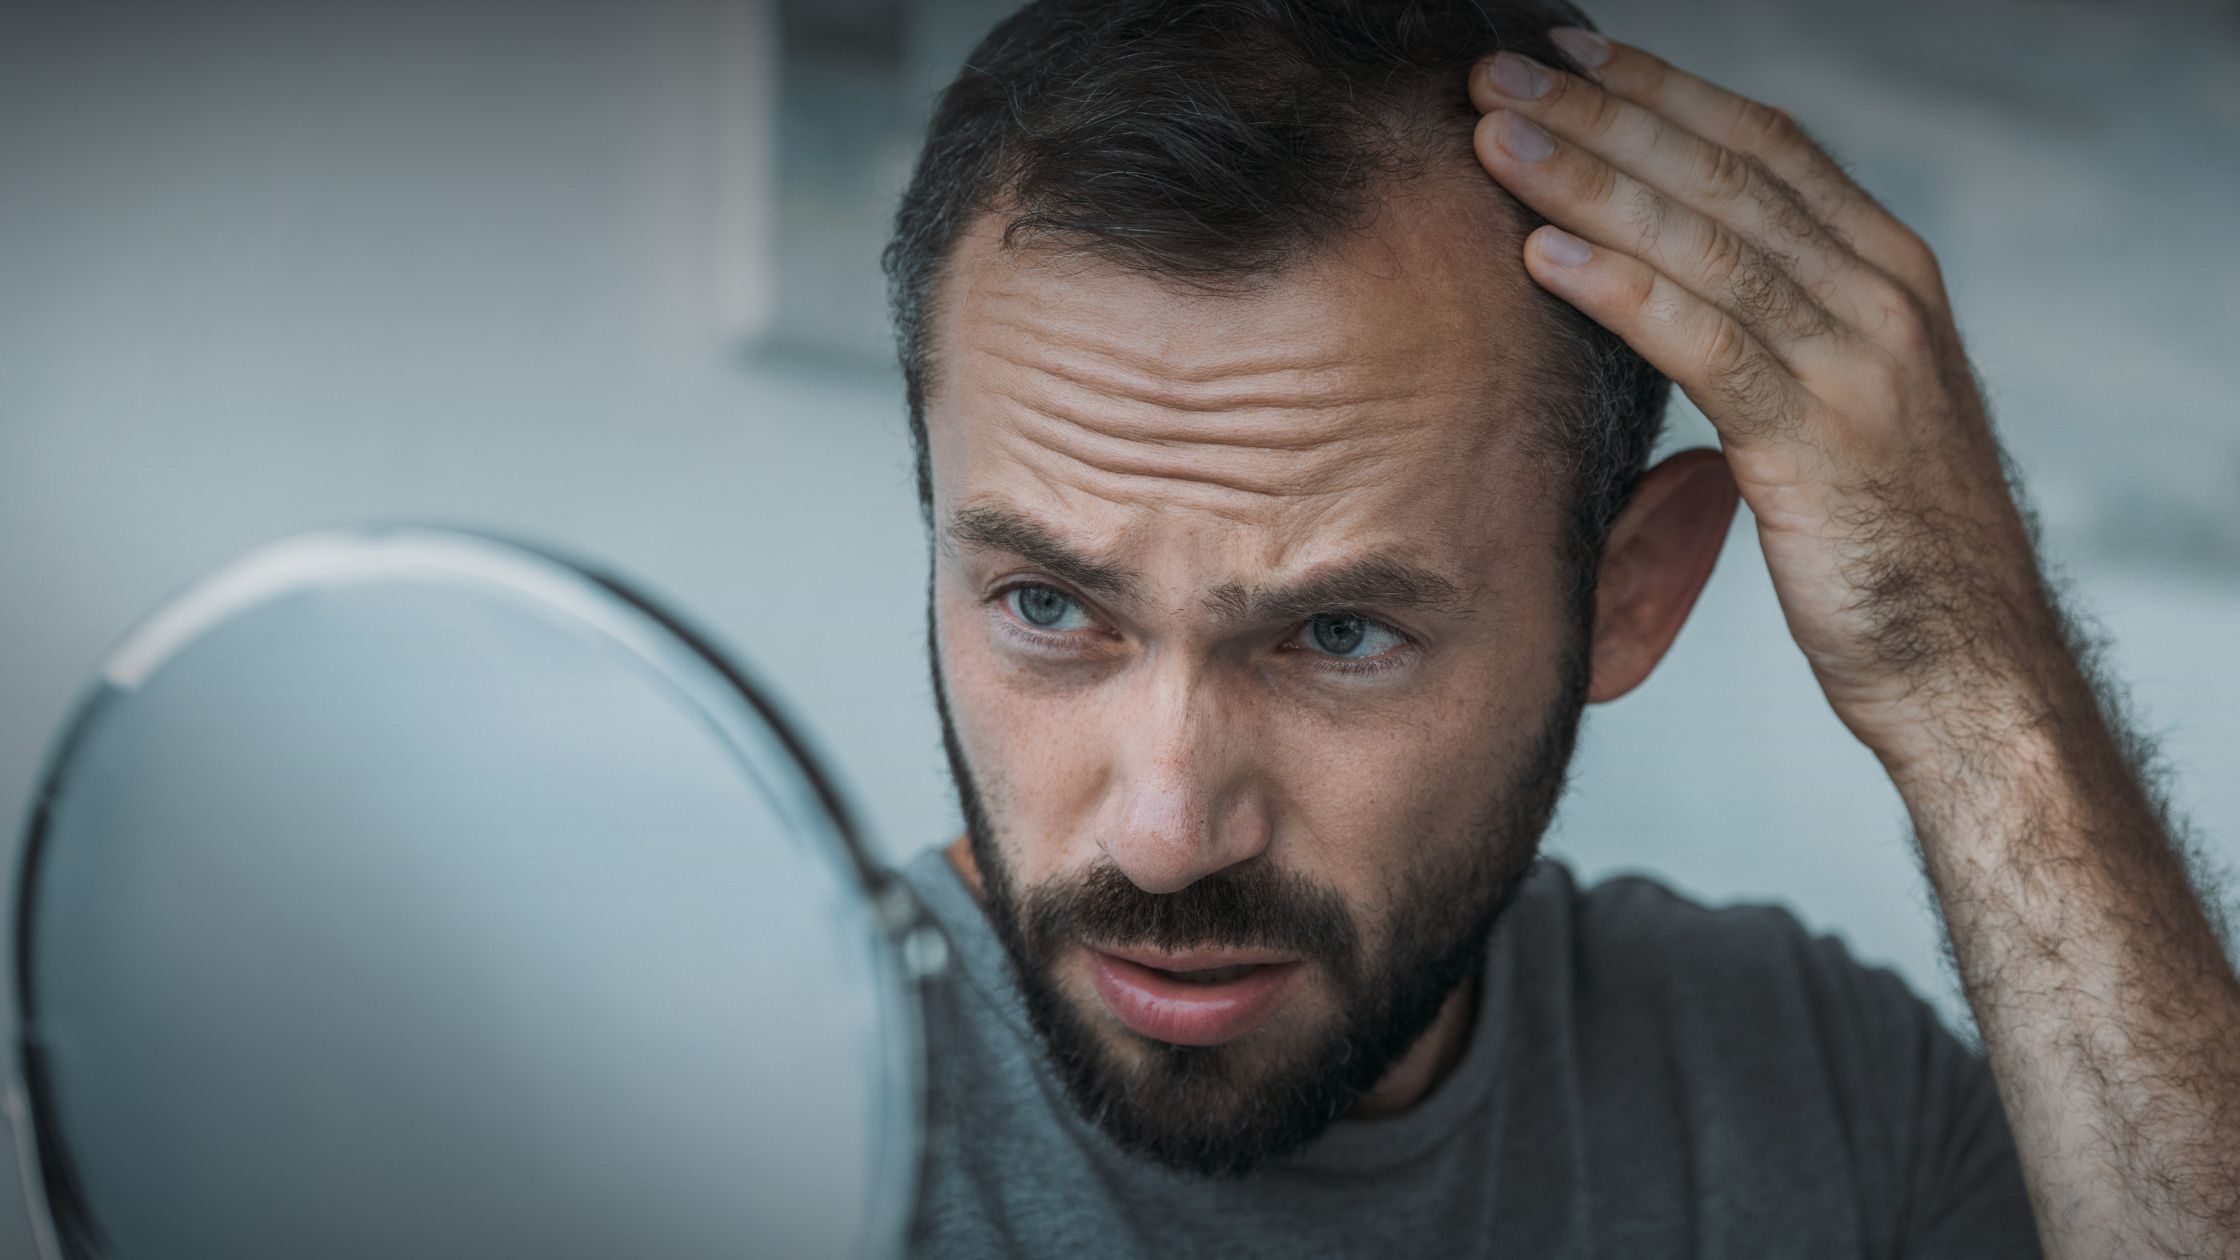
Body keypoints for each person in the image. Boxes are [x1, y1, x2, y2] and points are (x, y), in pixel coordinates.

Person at [876, 1, 2240, 1254]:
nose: (1167, 836)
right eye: (1047, 608)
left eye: (1343, 634)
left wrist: (1975, 681)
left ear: (1629, 594)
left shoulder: (1824, 1101)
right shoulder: (738, 1116)